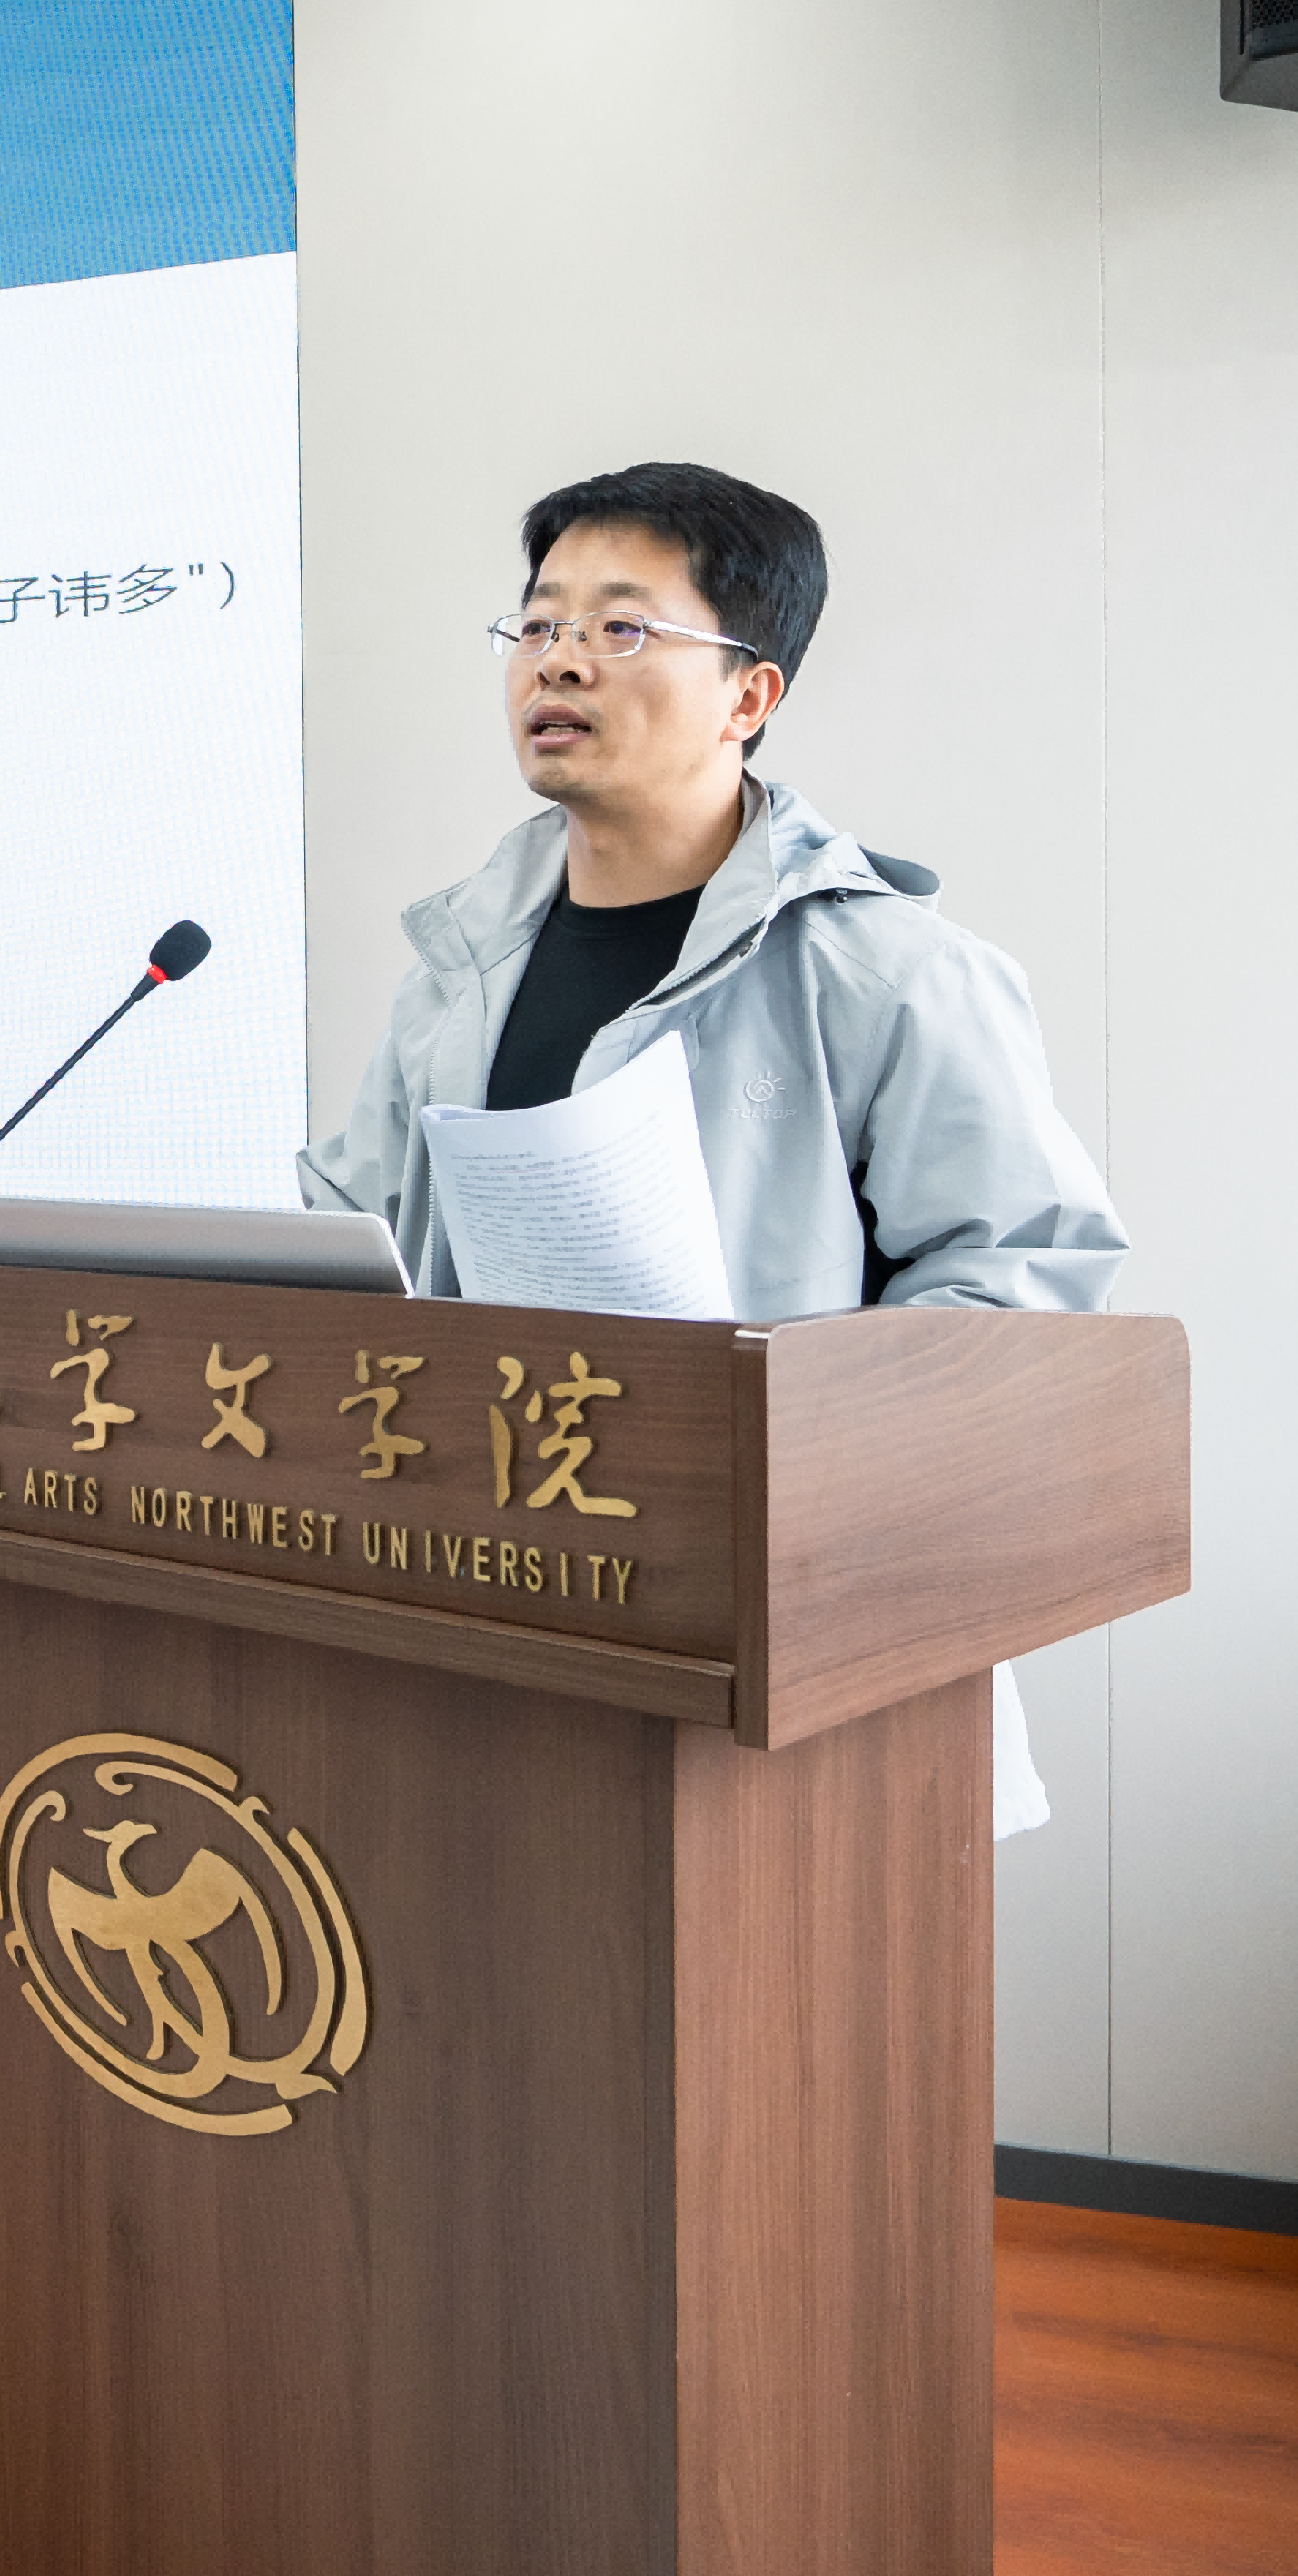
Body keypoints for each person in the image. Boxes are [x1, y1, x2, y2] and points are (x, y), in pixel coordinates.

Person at [296, 461, 1124, 1835]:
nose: (559, 658)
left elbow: (1021, 1292)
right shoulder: (459, 970)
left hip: (797, 1652)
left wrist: (750, 1428)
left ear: (750, 696)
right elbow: (353, 1237)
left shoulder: (891, 972)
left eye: (622, 626)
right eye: (538, 622)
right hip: (500, 1622)